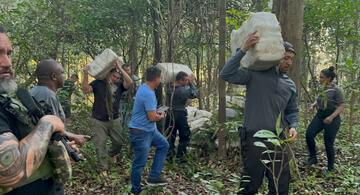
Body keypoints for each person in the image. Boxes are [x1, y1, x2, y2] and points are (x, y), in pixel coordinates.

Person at [220, 32, 299, 195]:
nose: (289, 62)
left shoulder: (290, 85)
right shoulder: (255, 74)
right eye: (285, 57)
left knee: (281, 184)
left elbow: (292, 110)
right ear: (276, 56)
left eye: (291, 58)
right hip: (254, 137)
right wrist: (243, 50)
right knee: (251, 183)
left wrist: (293, 126)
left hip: (279, 139)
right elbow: (226, 74)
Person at [0, 25, 67, 194]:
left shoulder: (10, 97)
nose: (7, 63)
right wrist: (48, 124)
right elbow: (11, 172)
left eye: (8, 53)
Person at [82, 61, 133, 173]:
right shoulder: (98, 83)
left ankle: (110, 155)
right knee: (100, 145)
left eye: (118, 77)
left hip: (114, 119)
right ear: (109, 74)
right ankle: (103, 168)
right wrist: (85, 74)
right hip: (98, 120)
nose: (116, 78)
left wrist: (120, 68)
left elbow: (129, 82)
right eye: (114, 76)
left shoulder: (120, 86)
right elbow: (85, 90)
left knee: (119, 142)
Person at [128, 66, 169, 194]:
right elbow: (152, 117)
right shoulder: (148, 93)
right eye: (160, 78)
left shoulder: (144, 87)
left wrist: (155, 112)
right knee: (139, 163)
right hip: (141, 132)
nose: (160, 80)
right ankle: (136, 190)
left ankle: (154, 176)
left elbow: (148, 111)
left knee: (164, 145)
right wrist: (160, 115)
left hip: (150, 130)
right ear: (156, 79)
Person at [31, 59, 90, 146]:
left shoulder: (34, 91)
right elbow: (53, 130)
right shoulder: (48, 96)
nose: (64, 76)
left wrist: (73, 136)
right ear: (54, 76)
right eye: (62, 73)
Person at [305, 66, 344, 173]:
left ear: (328, 78)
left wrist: (331, 117)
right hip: (320, 115)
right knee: (309, 134)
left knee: (328, 143)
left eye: (322, 77)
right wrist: (313, 105)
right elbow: (320, 99)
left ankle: (331, 168)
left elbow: (341, 106)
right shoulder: (322, 87)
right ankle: (313, 157)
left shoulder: (336, 90)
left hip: (333, 118)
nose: (320, 79)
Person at [165, 71, 199, 162]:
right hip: (179, 114)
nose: (187, 82)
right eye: (186, 80)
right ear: (180, 80)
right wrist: (191, 83)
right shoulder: (183, 89)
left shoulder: (169, 87)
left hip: (170, 113)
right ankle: (180, 157)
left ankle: (169, 157)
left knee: (170, 136)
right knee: (184, 136)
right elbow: (195, 94)